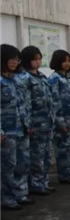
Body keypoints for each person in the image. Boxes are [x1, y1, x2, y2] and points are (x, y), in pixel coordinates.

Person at [19, 46, 56, 195]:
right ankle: (35, 183)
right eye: (34, 59)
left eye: (40, 59)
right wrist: (28, 124)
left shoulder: (41, 77)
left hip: (47, 122)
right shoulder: (24, 78)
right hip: (35, 123)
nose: (38, 62)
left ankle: (43, 182)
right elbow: (25, 103)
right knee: (36, 156)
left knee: (46, 155)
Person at [1, 44, 32, 210]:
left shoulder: (16, 80)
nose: (14, 62)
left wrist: (28, 124)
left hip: (21, 129)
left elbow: (23, 104)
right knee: (7, 166)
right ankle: (7, 198)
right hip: (7, 132)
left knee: (22, 163)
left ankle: (21, 194)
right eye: (11, 59)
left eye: (17, 59)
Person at [48, 50, 70, 184]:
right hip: (63, 120)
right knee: (64, 149)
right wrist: (60, 122)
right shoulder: (54, 79)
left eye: (68, 61)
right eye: (64, 61)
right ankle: (65, 175)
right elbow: (54, 102)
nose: (67, 64)